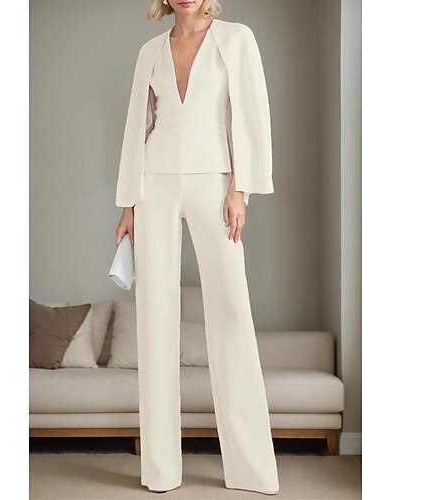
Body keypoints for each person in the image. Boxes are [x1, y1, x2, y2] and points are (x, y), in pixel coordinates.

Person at [115, 0, 279, 495]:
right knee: (154, 320)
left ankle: (251, 470)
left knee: (231, 312)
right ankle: (160, 471)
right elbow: (136, 128)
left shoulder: (237, 39)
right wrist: (128, 205)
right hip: (154, 185)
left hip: (215, 183)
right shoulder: (149, 51)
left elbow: (250, 115)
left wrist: (240, 189)